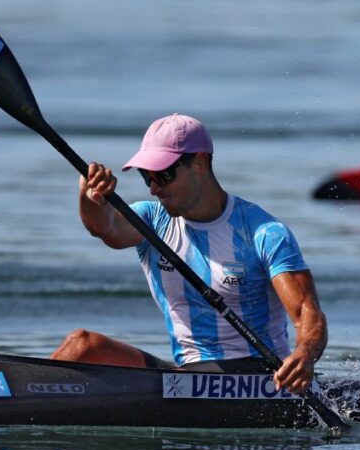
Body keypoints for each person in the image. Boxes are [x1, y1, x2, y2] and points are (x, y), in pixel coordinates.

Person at [50, 113, 327, 394]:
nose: (155, 188)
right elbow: (105, 227)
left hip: (261, 379)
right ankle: (21, 400)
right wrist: (91, 198)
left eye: (165, 175)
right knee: (82, 345)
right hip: (188, 378)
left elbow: (306, 311)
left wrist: (304, 353)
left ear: (200, 163)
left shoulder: (264, 232)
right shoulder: (151, 222)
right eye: (148, 177)